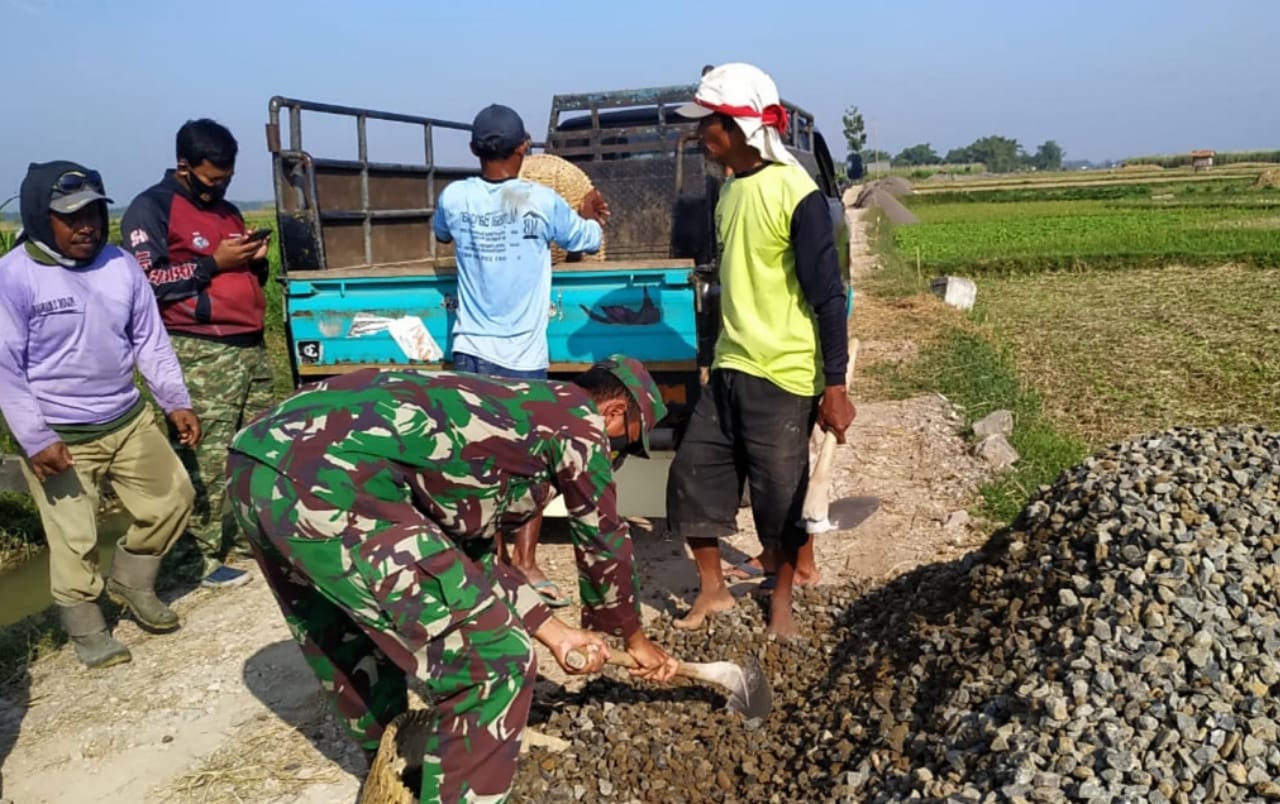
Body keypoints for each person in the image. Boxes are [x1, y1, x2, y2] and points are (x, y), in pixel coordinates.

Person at [225, 355, 677, 802]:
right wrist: (630, 637)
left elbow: (467, 554)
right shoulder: (578, 422)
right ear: (615, 412)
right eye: (624, 441)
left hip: (255, 462)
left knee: (347, 635)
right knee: (496, 663)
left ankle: (397, 771)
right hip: (330, 479)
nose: (614, 453)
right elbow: (603, 540)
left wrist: (556, 633)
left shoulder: (513, 409)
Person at [666, 63, 856, 638]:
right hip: (729, 367)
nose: (702, 135)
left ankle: (781, 606)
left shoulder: (797, 194)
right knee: (691, 479)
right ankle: (714, 590)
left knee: (782, 500)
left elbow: (827, 296)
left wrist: (836, 385)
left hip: (783, 373)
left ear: (742, 124)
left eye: (710, 124)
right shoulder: (728, 192)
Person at [0, 161, 200, 668]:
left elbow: (149, 340)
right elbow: (5, 368)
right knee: (75, 535)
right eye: (71, 217)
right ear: (42, 218)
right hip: (59, 433)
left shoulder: (120, 265)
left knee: (174, 498)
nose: (86, 225)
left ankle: (132, 582)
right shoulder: (14, 277)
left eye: (93, 212)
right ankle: (86, 628)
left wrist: (175, 400)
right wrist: (34, 436)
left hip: (127, 418)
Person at [433, 103, 611, 610]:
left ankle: (488, 569)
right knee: (531, 467)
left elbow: (442, 233)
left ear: (473, 149)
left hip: (469, 353)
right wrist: (590, 212)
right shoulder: (542, 200)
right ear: (523, 150)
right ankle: (527, 564)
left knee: (476, 465)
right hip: (522, 360)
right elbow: (587, 239)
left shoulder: (455, 196)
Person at [121, 118, 274, 590]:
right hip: (201, 350)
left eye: (226, 177)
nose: (219, 185)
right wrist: (214, 263)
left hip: (248, 344)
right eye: (211, 178)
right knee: (204, 456)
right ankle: (195, 561)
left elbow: (236, 273)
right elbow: (146, 281)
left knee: (257, 449)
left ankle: (251, 536)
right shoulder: (152, 209)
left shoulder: (226, 211)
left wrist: (254, 260)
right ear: (184, 166)